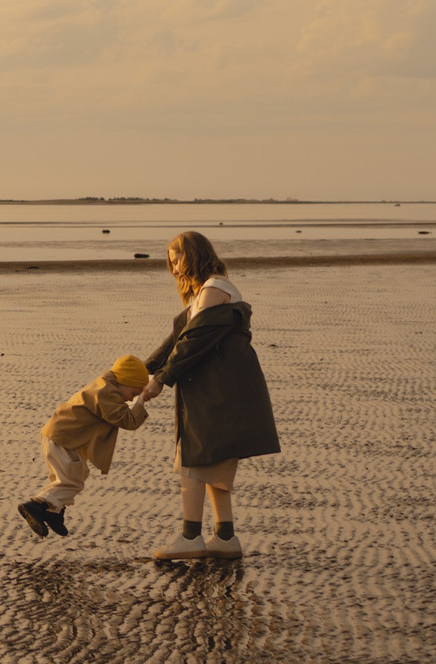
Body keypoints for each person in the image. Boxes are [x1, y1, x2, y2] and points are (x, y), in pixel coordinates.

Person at [134, 230, 279, 561]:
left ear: (196, 254)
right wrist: (142, 370)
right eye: (171, 264)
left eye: (180, 259)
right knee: (214, 467)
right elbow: (177, 339)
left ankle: (191, 537)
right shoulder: (204, 292)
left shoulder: (215, 290)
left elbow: (193, 341)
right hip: (217, 392)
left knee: (193, 463)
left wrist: (161, 380)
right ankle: (225, 538)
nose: (176, 269)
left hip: (221, 394)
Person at [16, 354, 152, 538]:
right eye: (133, 393)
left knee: (74, 476)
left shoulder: (105, 385)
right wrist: (142, 400)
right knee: (71, 482)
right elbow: (128, 421)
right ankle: (37, 505)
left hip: (58, 436)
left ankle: (53, 512)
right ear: (124, 382)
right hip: (62, 440)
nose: (131, 399)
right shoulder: (106, 394)